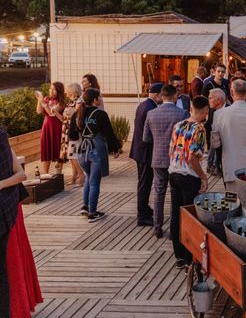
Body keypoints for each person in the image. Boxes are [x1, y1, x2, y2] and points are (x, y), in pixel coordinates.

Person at [0, 126, 43, 317]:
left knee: (11, 264)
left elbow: (21, 175)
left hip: (9, 212)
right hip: (10, 209)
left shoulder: (4, 144)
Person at [168, 96, 209, 269]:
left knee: (176, 214)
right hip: (189, 176)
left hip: (174, 172)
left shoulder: (179, 125)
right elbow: (193, 158)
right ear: (206, 111)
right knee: (191, 217)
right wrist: (203, 177)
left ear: (191, 107)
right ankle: (189, 256)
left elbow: (172, 149)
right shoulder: (199, 129)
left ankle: (179, 256)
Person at [143, 85, 189, 238]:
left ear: (161, 96)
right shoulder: (182, 113)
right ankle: (174, 229)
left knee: (158, 193)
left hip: (157, 159)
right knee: (175, 194)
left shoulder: (151, 113)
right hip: (176, 160)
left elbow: (146, 138)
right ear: (175, 96)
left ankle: (157, 226)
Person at [69, 88, 121, 223]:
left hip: (81, 151)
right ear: (94, 100)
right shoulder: (100, 114)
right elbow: (109, 134)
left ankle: (85, 207)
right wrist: (115, 149)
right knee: (94, 182)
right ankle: (92, 213)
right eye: (99, 98)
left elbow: (72, 136)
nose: (100, 100)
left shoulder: (77, 114)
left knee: (88, 177)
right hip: (96, 151)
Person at [129, 82, 162, 227]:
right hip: (145, 152)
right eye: (162, 95)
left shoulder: (144, 105)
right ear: (156, 95)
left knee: (144, 182)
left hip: (140, 150)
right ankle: (142, 215)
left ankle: (144, 208)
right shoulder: (151, 108)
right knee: (144, 183)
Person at [35, 81, 65, 175]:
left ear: (58, 90)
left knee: (58, 149)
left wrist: (44, 103)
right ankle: (45, 174)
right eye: (50, 88)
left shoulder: (61, 102)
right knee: (46, 148)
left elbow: (52, 114)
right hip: (47, 126)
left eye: (54, 89)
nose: (51, 90)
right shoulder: (46, 99)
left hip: (57, 127)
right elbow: (39, 111)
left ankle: (58, 174)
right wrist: (39, 101)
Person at [60, 82, 84, 184]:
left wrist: (67, 116)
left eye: (68, 90)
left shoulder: (79, 101)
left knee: (72, 154)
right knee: (71, 155)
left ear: (73, 91)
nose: (66, 92)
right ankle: (74, 176)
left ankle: (81, 175)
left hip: (74, 130)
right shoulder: (70, 102)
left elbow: (77, 115)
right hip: (67, 129)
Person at [204, 88, 227, 175]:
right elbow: (209, 124)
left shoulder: (229, 110)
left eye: (210, 98)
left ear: (218, 100)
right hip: (215, 143)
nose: (208, 100)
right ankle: (213, 166)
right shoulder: (212, 110)